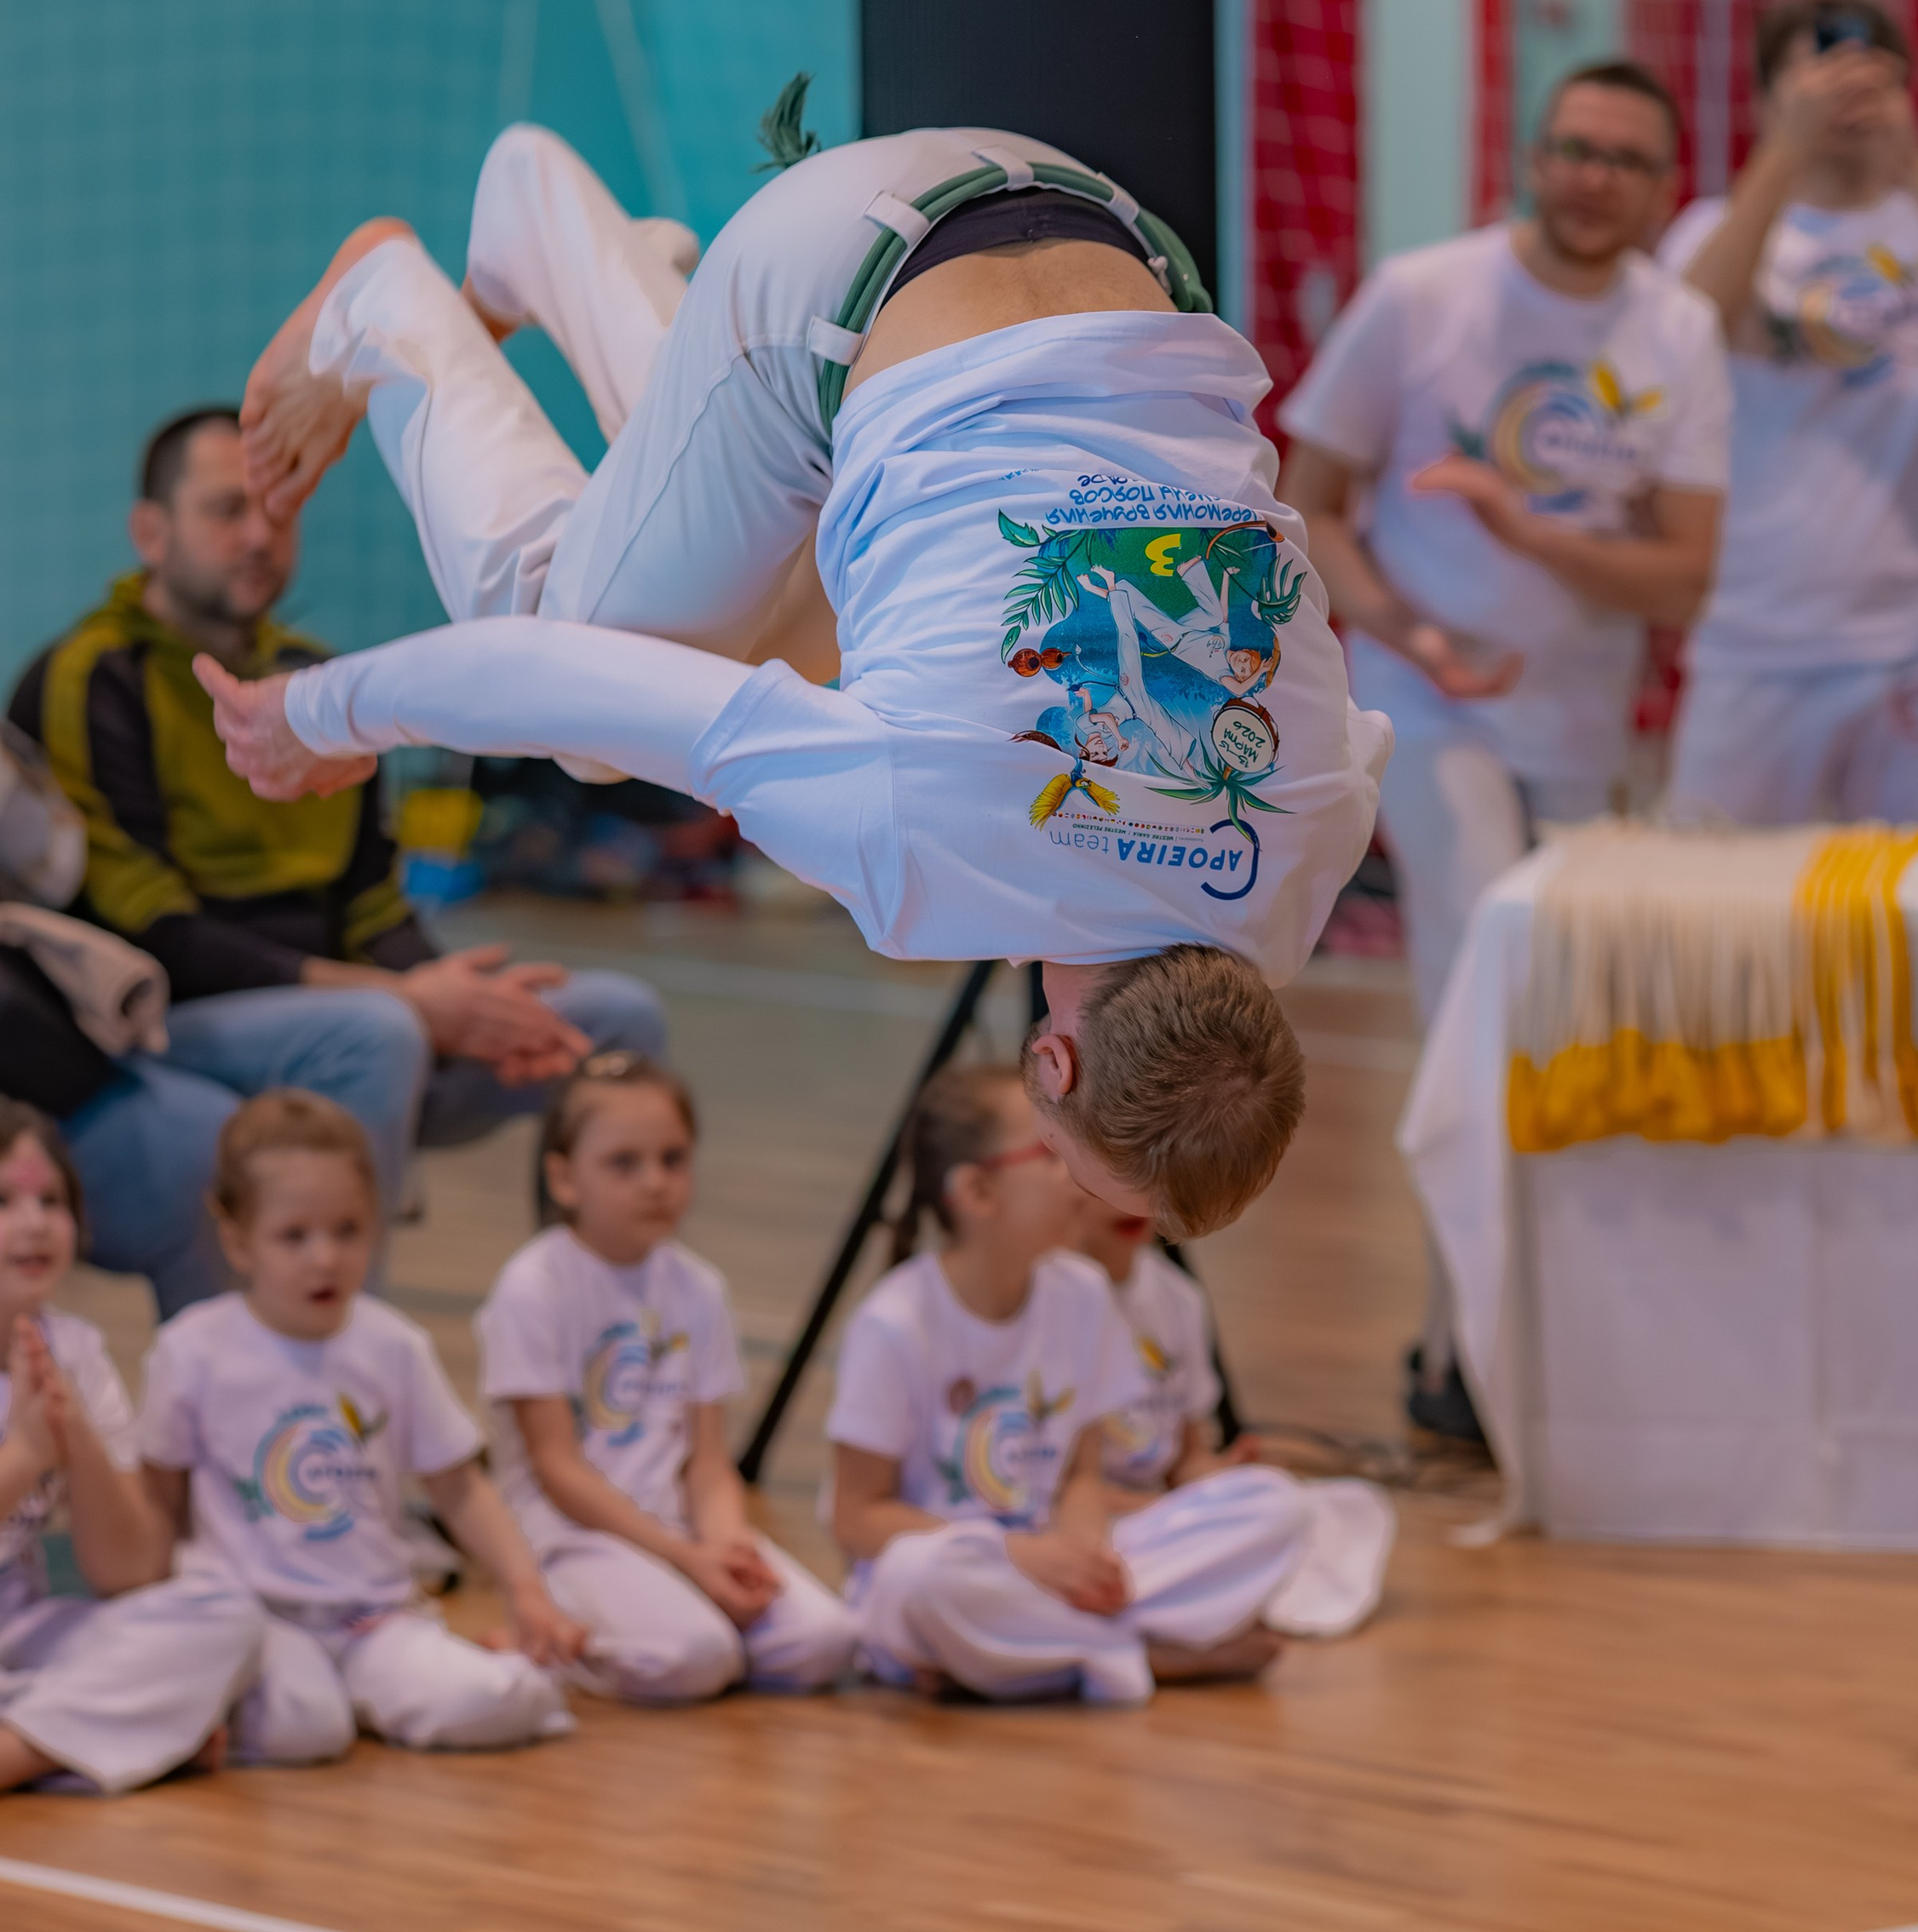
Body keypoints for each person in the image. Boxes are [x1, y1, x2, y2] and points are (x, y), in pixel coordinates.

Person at [202, 118, 1391, 1237]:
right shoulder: (917, 850)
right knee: (582, 671)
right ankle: (385, 308)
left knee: (763, 627)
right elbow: (549, 676)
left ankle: (545, 230)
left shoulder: (1318, 838)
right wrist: (316, 713)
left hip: (1097, 226)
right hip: (833, 279)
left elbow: (1321, 757)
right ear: (1050, 1064)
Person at [1277, 59, 1729, 1433]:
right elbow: (1313, 505)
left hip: (1580, 740)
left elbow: (1684, 581)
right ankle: (1457, 1355)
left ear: (1663, 191)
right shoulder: (1424, 296)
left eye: (1625, 161)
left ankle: (1552, 1343)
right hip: (1434, 712)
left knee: (1571, 1024)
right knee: (1482, 979)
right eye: (1573, 149)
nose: (1592, 178)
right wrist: (1408, 633)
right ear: (1533, 155)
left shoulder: (1679, 333)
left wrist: (1527, 532)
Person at [20, 405, 666, 1237]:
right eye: (227, 509)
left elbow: (371, 905)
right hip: (165, 1022)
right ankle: (346, 1349)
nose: (260, 534)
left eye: (279, 510)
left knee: (616, 1018)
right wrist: (408, 999)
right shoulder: (86, 678)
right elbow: (155, 934)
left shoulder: (314, 677)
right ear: (151, 531)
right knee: (380, 1032)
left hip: (349, 1010)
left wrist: (465, 1001)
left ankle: (589, 1310)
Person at [1660, 0, 1918, 827]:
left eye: (1869, 77)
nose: (1844, 95)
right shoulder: (1715, 229)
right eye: (1816, 75)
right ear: (1769, 97)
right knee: (1720, 923)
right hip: (1752, 643)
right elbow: (1682, 335)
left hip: (1913, 647)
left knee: (1899, 923)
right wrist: (1782, 155)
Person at [826, 1063, 1310, 1705]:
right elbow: (856, 1518)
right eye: (1053, 1154)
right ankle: (1146, 1655)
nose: (1080, 1178)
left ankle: (1035, 1656)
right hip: (962, 1571)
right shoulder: (895, 1322)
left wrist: (1083, 1555)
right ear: (977, 1193)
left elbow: (1082, 1474)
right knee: (918, 1577)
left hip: (1049, 1565)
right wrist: (1022, 1557)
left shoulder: (1081, 1294)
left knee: (1275, 1505)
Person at [135, 1092, 585, 1758]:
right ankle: (268, 1705)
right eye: (295, 1236)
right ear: (237, 1240)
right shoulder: (191, 1350)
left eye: (347, 1231)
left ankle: (386, 1688)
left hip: (374, 1619)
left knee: (496, 1701)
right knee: (304, 1729)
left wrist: (526, 1591)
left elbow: (459, 1489)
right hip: (253, 1623)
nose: (325, 1259)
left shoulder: (393, 1347)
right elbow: (157, 1502)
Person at [474, 1050, 857, 1700]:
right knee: (693, 1656)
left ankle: (672, 1615)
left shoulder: (699, 1287)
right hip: (573, 1535)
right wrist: (687, 1561)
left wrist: (727, 1546)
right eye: (624, 1163)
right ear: (565, 1179)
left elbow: (708, 1462)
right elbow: (557, 1470)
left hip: (678, 1528)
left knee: (825, 1643)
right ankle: (545, 1638)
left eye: (673, 1159)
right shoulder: (533, 1286)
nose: (655, 1182)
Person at [0, 1104, 260, 1797]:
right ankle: (87, 1740)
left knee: (221, 1614)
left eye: (51, 1201)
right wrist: (27, 1454)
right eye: (3, 1201)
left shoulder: (76, 1350)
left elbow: (125, 1574)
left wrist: (77, 1436)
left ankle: (25, 1750)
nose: (32, 1223)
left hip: (17, 1632)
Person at [1067, 1193, 1397, 1637]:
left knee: (1341, 1505)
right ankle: (1152, 1623)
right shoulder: (1058, 1298)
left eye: (1138, 1179)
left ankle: (1168, 1612)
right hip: (1088, 1523)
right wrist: (1179, 1507)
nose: (1129, 1203)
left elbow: (1187, 1458)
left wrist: (1222, 1478)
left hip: (1162, 1520)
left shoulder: (1177, 1297)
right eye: (1103, 1186)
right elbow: (1059, 1491)